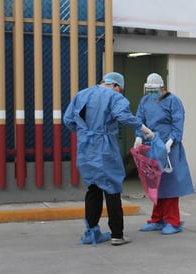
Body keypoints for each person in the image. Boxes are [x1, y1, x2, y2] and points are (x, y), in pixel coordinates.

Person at [63, 72, 154, 246]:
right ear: (116, 86)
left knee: (93, 189)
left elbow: (68, 120)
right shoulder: (114, 97)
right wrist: (143, 128)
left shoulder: (82, 94)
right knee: (112, 189)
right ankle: (117, 235)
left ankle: (91, 233)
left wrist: (84, 133)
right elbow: (123, 116)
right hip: (104, 148)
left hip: (85, 148)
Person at [133, 73, 194, 235]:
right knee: (155, 185)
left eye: (155, 90)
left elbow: (178, 123)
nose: (152, 93)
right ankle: (157, 219)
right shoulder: (145, 101)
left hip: (170, 149)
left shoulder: (173, 101)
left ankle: (173, 221)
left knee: (170, 185)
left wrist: (171, 141)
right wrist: (139, 137)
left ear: (162, 88)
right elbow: (140, 120)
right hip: (151, 147)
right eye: (149, 90)